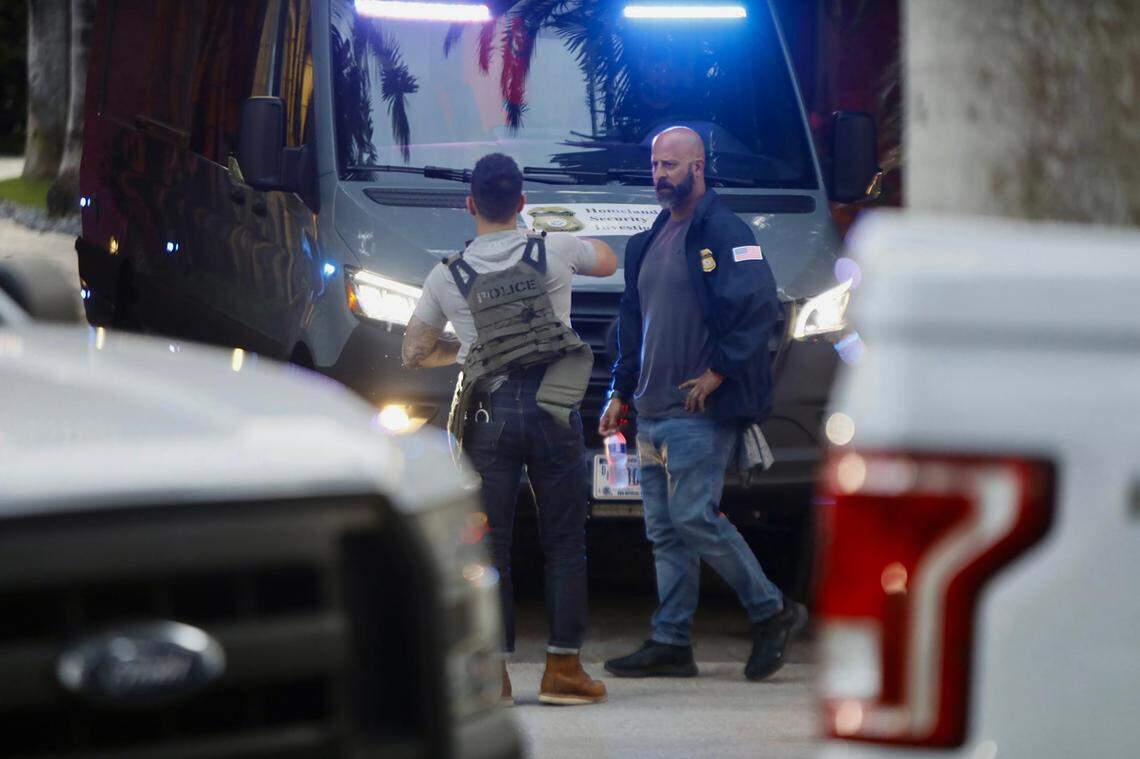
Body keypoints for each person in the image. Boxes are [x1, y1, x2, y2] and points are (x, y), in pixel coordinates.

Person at [402, 153, 617, 706]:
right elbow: (609, 261)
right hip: (554, 409)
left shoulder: (447, 273)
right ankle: (563, 669)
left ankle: (493, 677)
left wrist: (469, 351)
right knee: (565, 542)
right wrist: (562, 230)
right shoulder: (554, 248)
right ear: (521, 202)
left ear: (470, 204)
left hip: (488, 416)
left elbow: (414, 350)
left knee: (489, 548)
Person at [599, 127, 807, 681]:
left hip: (698, 413)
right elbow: (631, 325)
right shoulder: (648, 240)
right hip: (649, 411)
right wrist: (618, 393)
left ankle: (773, 610)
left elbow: (761, 308)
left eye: (671, 165)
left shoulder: (723, 230)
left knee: (693, 518)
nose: (661, 175)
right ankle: (671, 642)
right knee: (666, 531)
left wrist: (718, 372)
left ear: (699, 166)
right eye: (655, 165)